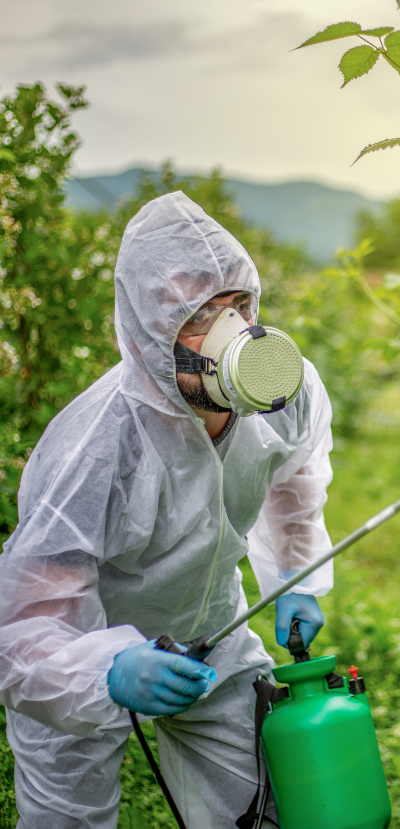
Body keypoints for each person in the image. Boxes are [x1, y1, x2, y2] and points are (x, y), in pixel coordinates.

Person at [0, 191, 335, 828]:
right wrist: (104, 668)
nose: (235, 331)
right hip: (88, 642)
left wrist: (298, 578)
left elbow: (297, 475)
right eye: (200, 314)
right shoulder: (96, 449)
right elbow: (18, 629)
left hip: (213, 629)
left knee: (258, 809)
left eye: (238, 304)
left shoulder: (287, 393)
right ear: (149, 333)